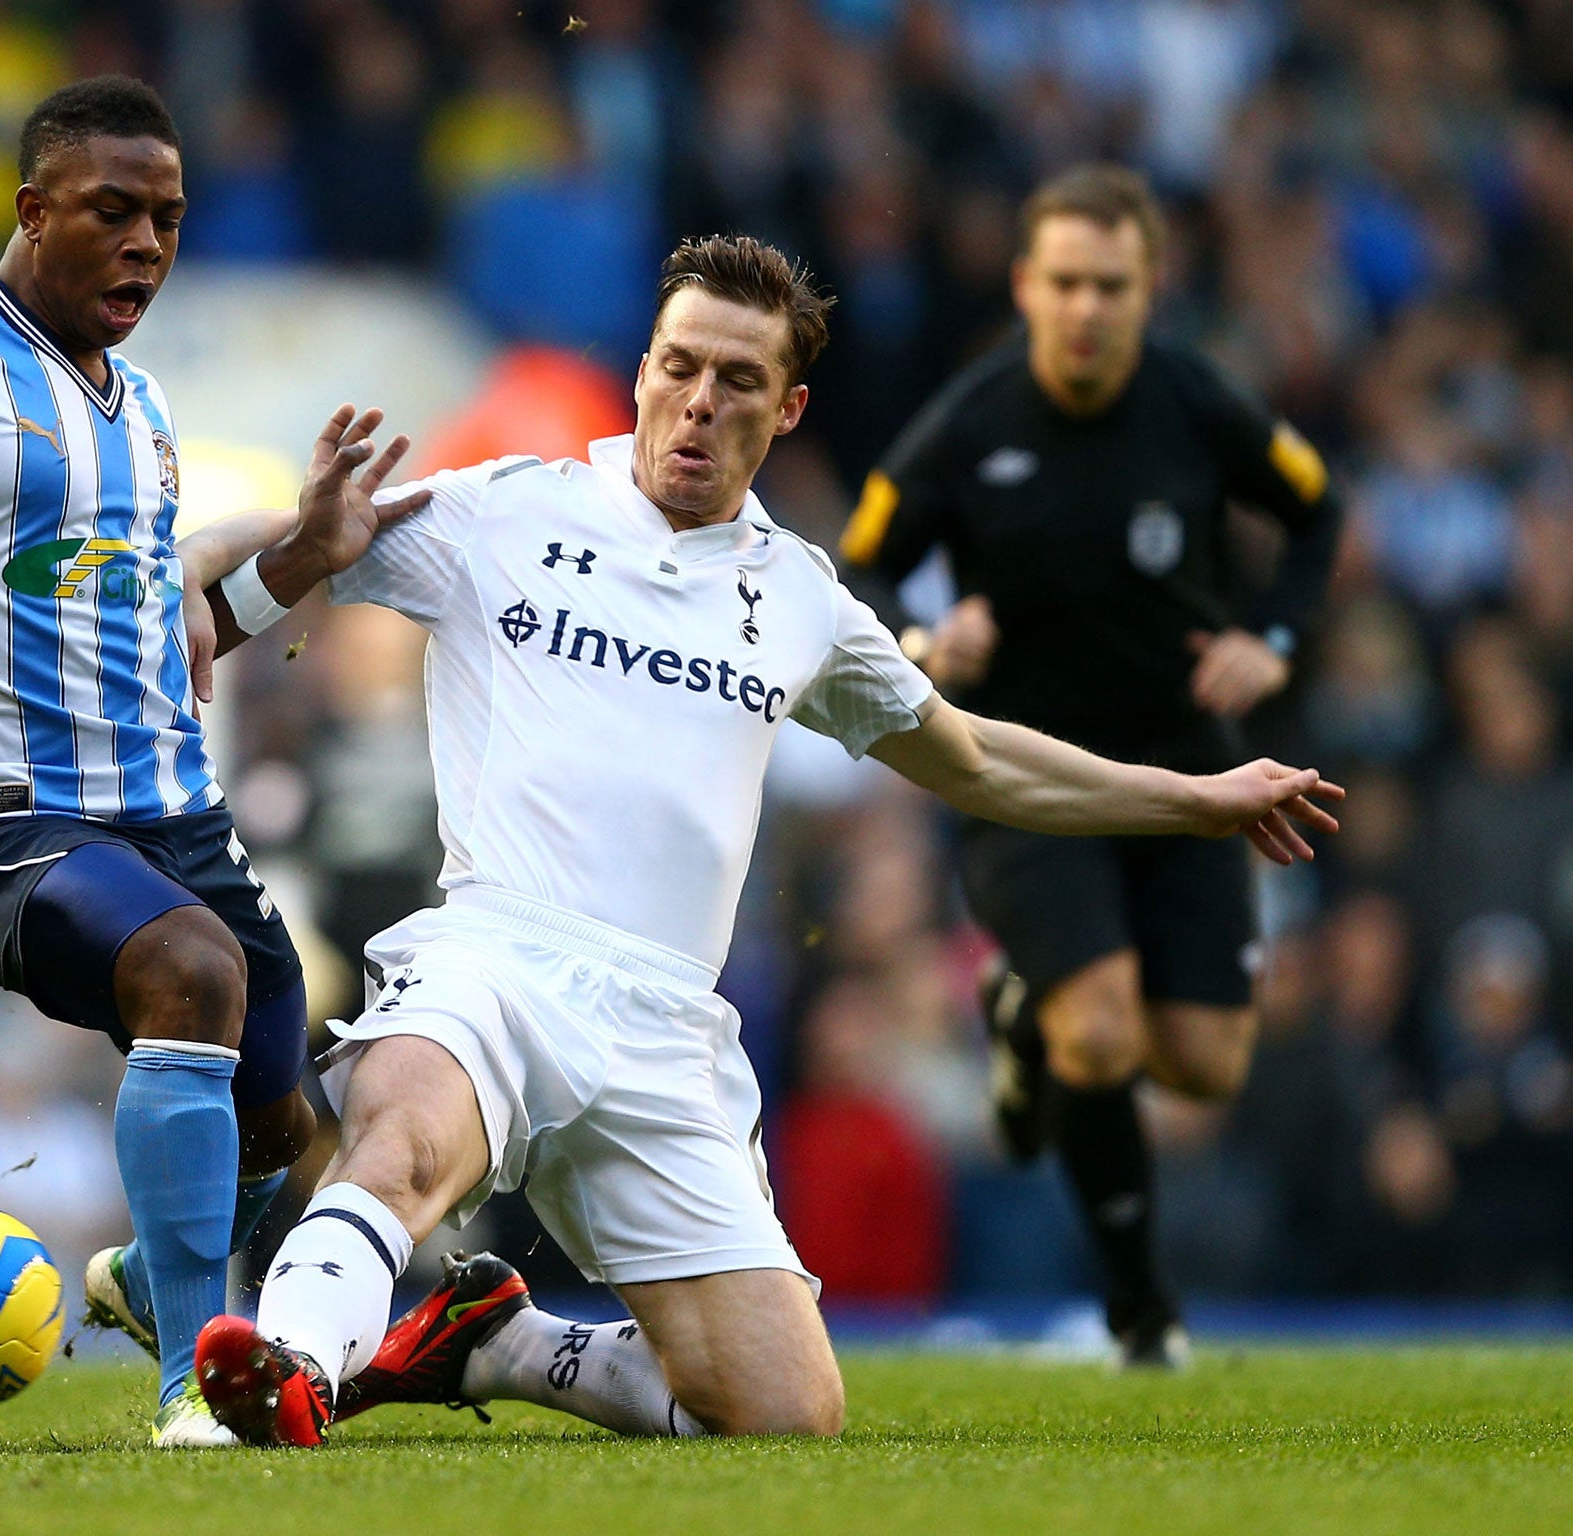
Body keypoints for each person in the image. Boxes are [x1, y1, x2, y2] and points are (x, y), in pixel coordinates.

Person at [181, 232, 1341, 1446]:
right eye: (678, 365)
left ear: (785, 409)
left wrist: (1194, 796)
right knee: (407, 1130)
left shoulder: (801, 599)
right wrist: (199, 595)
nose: (697, 401)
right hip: (496, 956)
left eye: (736, 381)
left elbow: (979, 759)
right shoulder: (505, 510)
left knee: (783, 1417)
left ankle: (505, 1345)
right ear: (640, 372)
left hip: (666, 1028)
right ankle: (285, 1367)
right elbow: (263, 542)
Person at [0, 76, 421, 1447]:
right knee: (195, 978)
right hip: (1, 827)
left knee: (285, 1127)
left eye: (166, 218)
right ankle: (190, 1399)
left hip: (176, 825)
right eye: (114, 212)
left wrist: (303, 560)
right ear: (32, 210)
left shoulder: (146, 410)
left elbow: (171, 638)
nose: (148, 245)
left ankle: (133, 1285)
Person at [838, 164, 1344, 1365]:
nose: (1084, 308)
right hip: (1026, 781)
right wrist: (917, 638)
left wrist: (1267, 640)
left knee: (1205, 1064)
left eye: (1109, 285)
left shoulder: (1195, 402)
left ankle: (1017, 1017)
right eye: (1062, 282)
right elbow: (853, 564)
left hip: (1187, 774)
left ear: (1148, 288)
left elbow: (1316, 510)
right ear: (1024, 285)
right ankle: (1141, 1318)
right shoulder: (966, 424)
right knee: (1104, 1040)